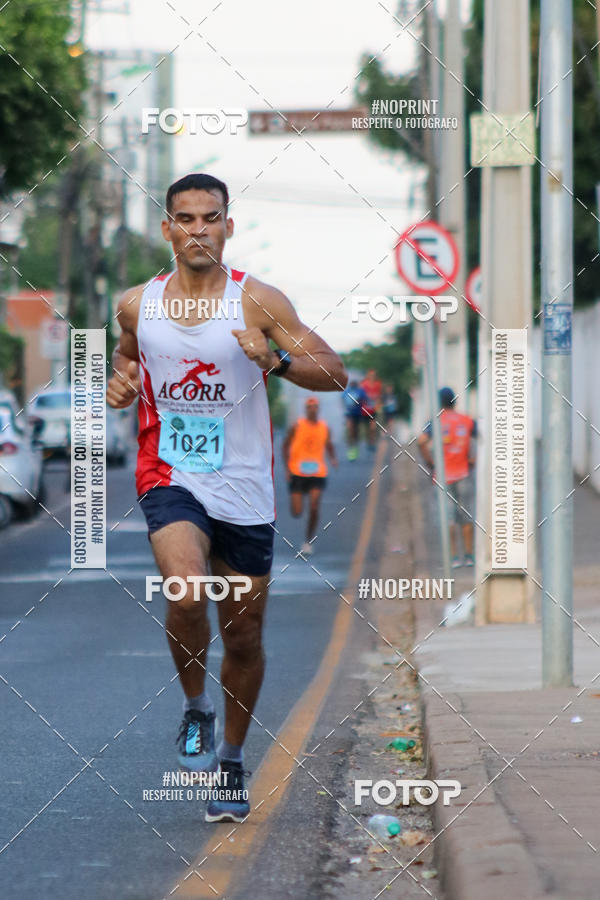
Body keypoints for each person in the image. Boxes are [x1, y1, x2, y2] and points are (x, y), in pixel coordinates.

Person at [106, 173, 347, 823]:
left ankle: (233, 760)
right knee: (185, 591)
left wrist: (274, 361)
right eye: (184, 218)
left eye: (210, 218)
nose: (198, 230)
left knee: (242, 635)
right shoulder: (136, 304)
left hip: (243, 484)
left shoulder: (258, 302)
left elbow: (333, 370)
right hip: (170, 472)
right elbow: (129, 357)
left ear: (228, 226)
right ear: (167, 229)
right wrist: (121, 384)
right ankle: (195, 708)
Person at [417, 387, 477, 568]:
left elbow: (421, 442)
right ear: (454, 402)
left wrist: (431, 463)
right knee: (466, 515)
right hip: (464, 472)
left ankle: (453, 558)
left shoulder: (435, 422)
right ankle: (469, 556)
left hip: (443, 475)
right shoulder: (466, 421)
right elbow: (483, 438)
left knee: (448, 517)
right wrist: (473, 459)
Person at [283, 396, 338, 555]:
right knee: (297, 512)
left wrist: (333, 459)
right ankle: (297, 500)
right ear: (306, 409)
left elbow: (329, 445)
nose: (312, 409)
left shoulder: (324, 427)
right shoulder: (297, 426)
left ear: (318, 409)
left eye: (315, 407)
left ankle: (308, 540)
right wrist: (287, 467)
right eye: (309, 407)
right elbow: (285, 445)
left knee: (314, 506)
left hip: (317, 472)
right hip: (297, 471)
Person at [342, 379, 368, 460]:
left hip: (358, 414)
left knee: (356, 432)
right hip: (349, 414)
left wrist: (359, 402)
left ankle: (355, 447)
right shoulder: (347, 391)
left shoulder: (360, 391)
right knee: (350, 430)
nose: (352, 384)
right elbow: (342, 399)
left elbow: (365, 399)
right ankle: (350, 448)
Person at [360, 369, 383, 450]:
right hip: (365, 409)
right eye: (371, 375)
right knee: (367, 428)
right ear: (368, 376)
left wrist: (379, 405)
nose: (372, 376)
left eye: (374, 375)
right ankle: (368, 441)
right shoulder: (363, 384)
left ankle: (372, 442)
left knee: (372, 427)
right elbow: (360, 395)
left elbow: (379, 396)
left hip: (373, 409)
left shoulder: (378, 384)